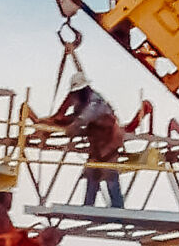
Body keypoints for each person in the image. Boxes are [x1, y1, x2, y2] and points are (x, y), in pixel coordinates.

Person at [50, 70, 126, 209]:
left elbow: (85, 117)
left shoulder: (95, 101)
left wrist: (74, 126)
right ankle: (88, 205)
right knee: (92, 172)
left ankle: (118, 206)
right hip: (97, 143)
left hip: (108, 141)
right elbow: (76, 115)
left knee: (109, 174)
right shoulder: (82, 101)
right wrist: (61, 120)